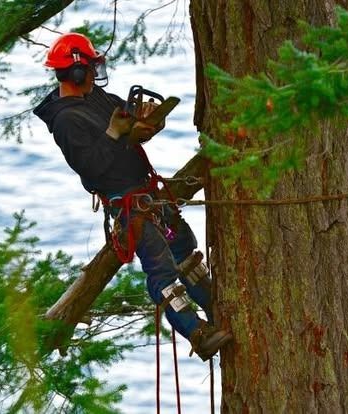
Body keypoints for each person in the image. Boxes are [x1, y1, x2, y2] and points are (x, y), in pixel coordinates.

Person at [33, 32, 231, 361]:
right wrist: (114, 133)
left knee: (184, 251)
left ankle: (214, 305)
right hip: (126, 203)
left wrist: (145, 124)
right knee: (162, 270)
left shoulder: (96, 98)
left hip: (147, 192)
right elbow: (92, 169)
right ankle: (196, 332)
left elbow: (127, 128)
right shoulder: (66, 121)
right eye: (91, 69)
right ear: (77, 71)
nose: (95, 74)